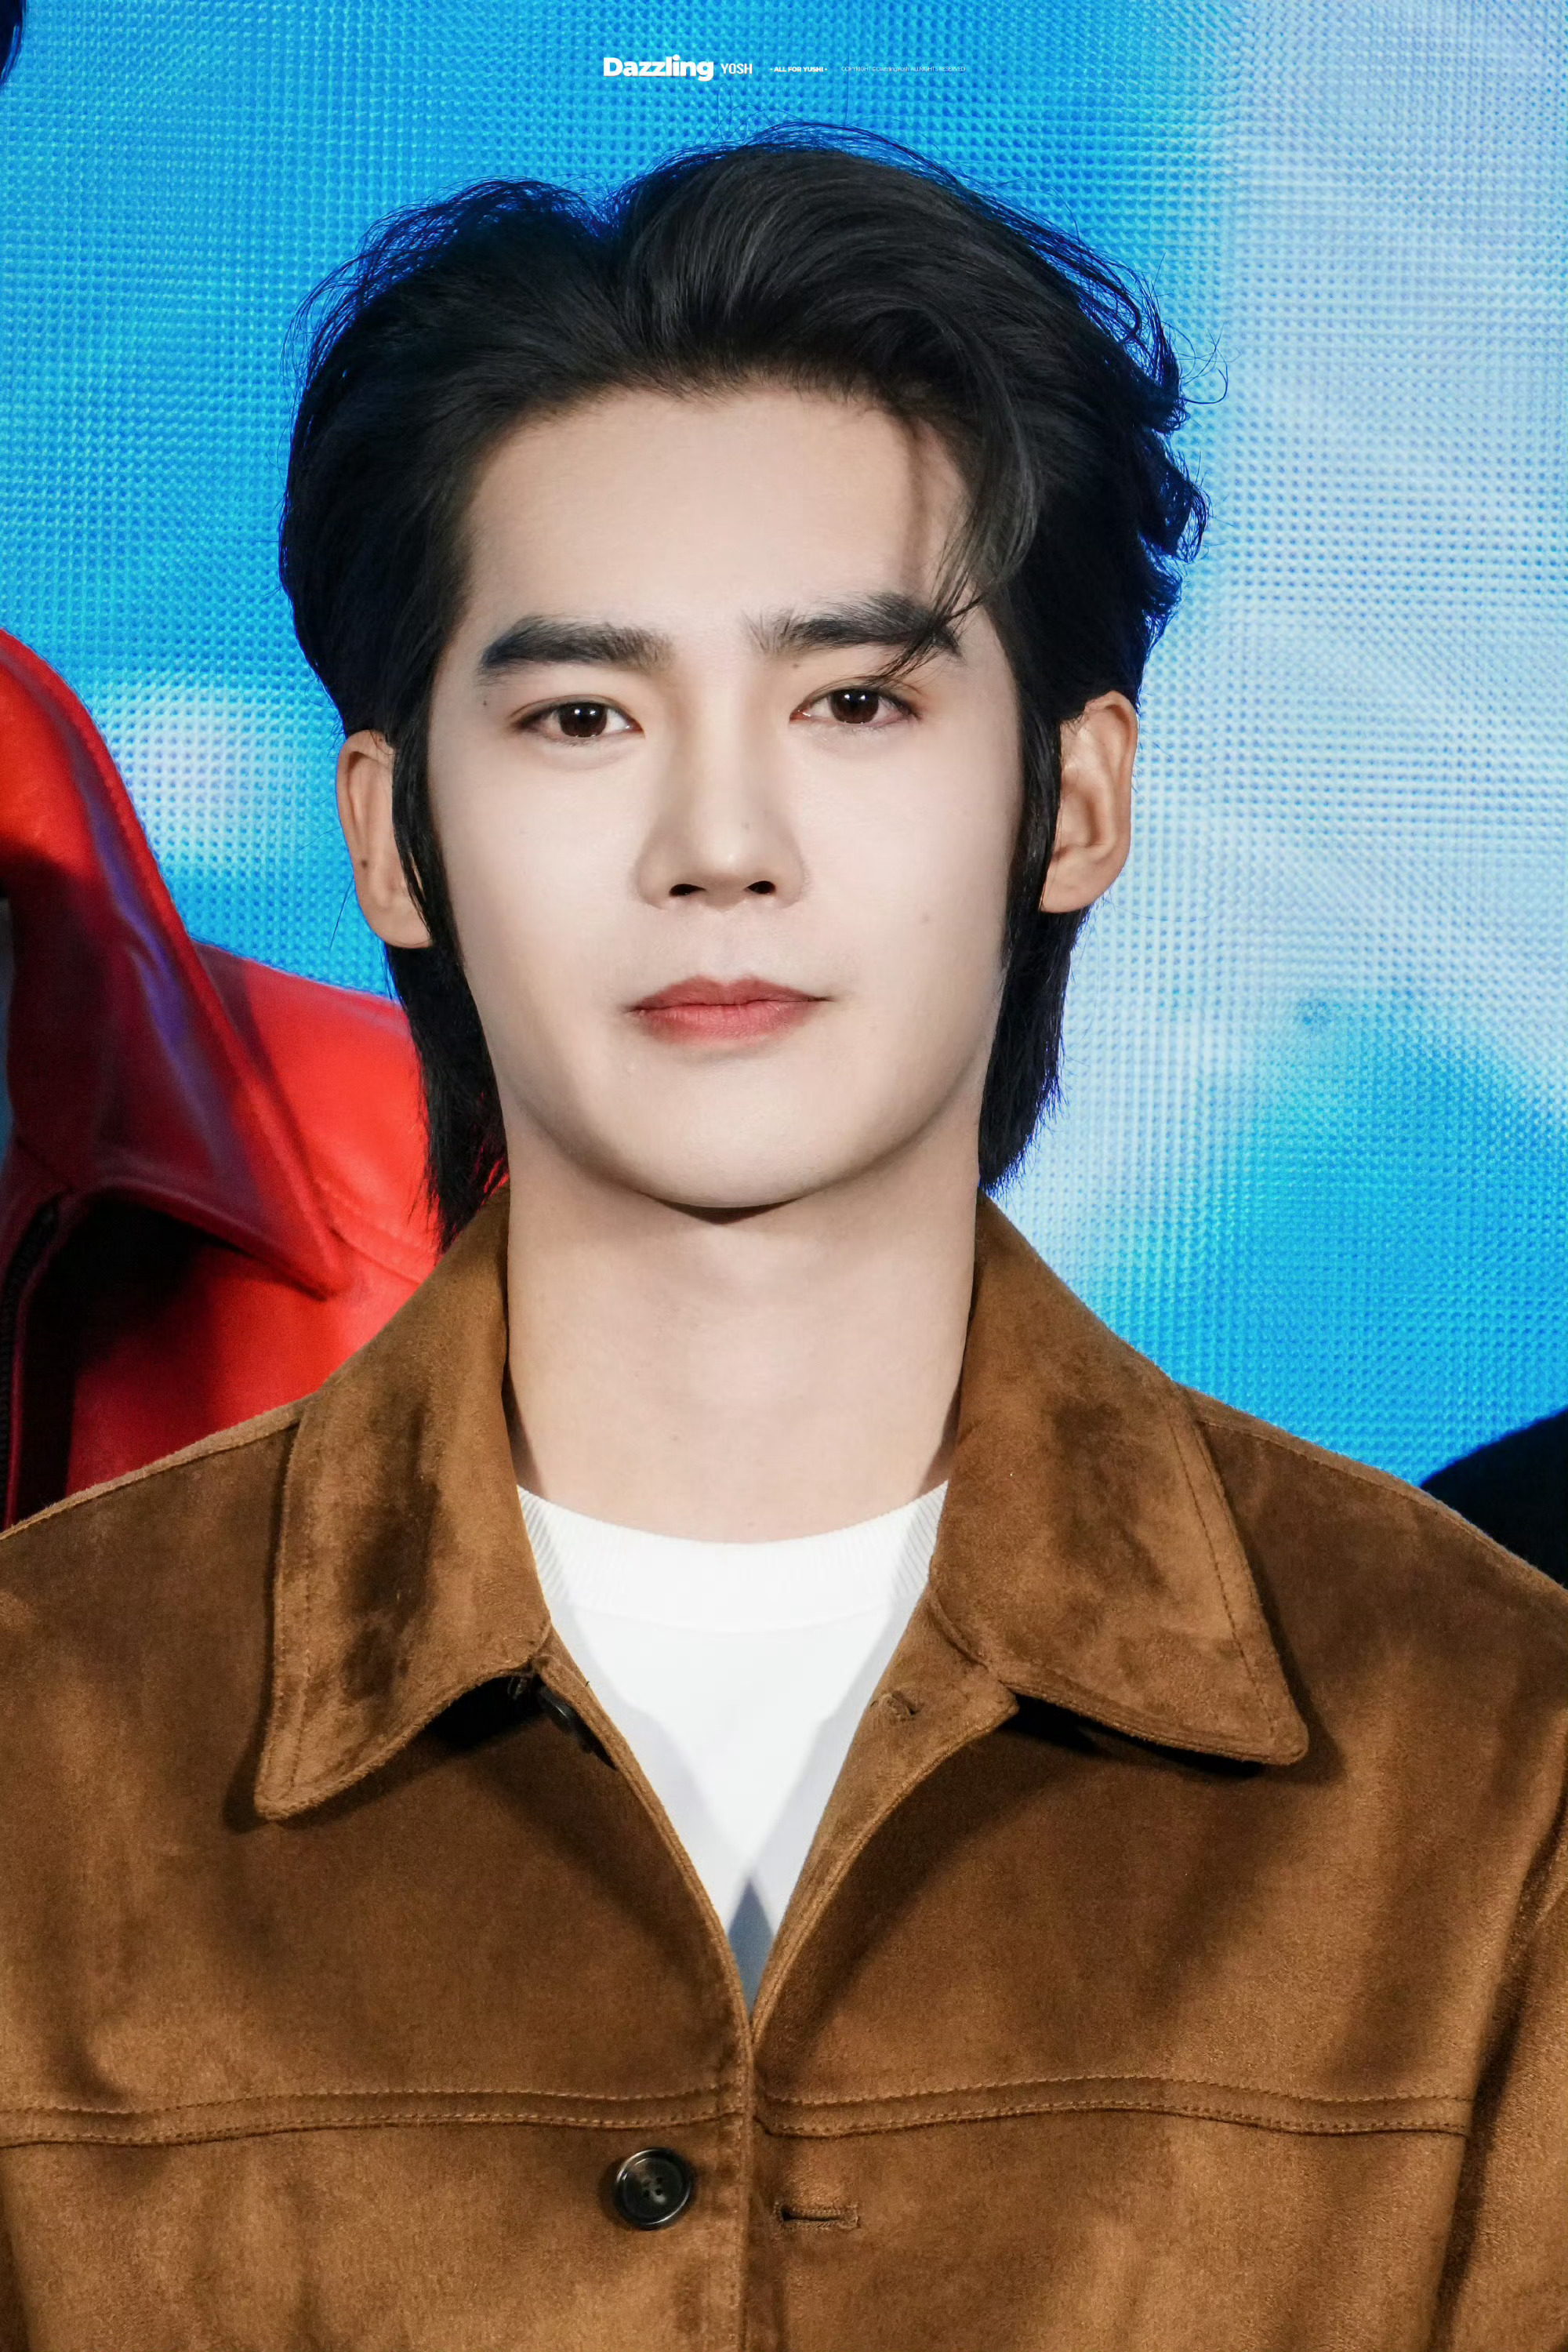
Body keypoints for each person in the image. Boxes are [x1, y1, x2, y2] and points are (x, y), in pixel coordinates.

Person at [0, 135, 1560, 2350]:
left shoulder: (1485, 1742)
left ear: (1077, 800)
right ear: (393, 837)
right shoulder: (45, 1734)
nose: (719, 842)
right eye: (581, 718)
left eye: (856, 702)